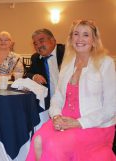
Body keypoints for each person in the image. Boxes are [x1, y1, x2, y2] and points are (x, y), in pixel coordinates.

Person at [26, 20, 116, 161]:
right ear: (71, 38)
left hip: (93, 123)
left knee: (55, 145)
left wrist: (79, 122)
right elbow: (58, 97)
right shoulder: (67, 63)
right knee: (37, 140)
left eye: (86, 35)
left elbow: (111, 107)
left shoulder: (105, 63)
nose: (80, 39)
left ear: (94, 40)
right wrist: (56, 116)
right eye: (76, 34)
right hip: (64, 118)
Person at [25, 29, 65, 109]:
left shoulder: (66, 52)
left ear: (53, 40)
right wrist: (34, 76)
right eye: (35, 44)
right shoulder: (36, 58)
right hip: (48, 103)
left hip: (68, 100)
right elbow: (27, 74)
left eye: (41, 41)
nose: (38, 46)